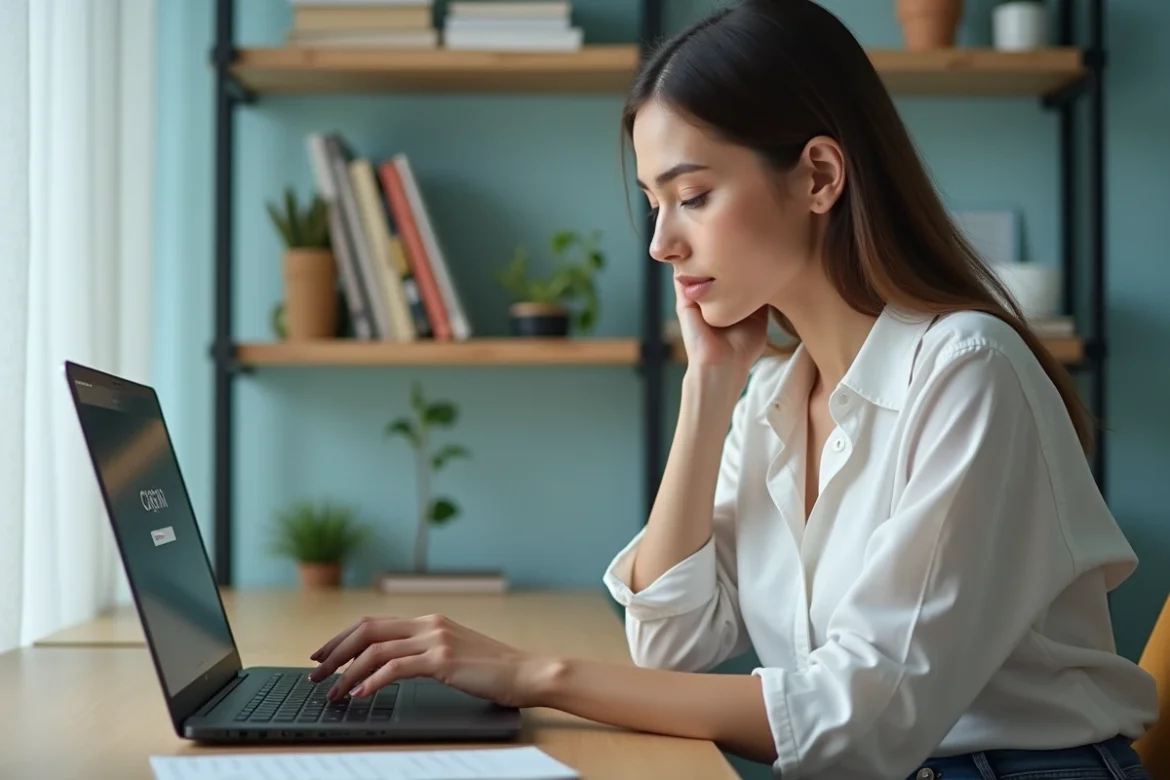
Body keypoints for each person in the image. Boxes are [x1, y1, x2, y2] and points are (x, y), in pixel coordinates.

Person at [305, 1, 1160, 777]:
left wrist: (534, 673)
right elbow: (670, 645)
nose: (661, 244)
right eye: (653, 204)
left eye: (693, 196)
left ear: (820, 176)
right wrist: (709, 389)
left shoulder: (967, 371)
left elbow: (864, 719)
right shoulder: (775, 397)